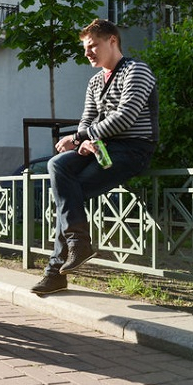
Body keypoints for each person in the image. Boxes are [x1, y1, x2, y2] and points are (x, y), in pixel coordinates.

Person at [31, 19, 159, 295]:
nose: (87, 53)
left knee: (68, 199)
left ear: (112, 40)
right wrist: (84, 139)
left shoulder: (137, 71)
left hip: (132, 149)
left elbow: (125, 117)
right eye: (85, 48)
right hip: (100, 147)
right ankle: (77, 244)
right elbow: (86, 119)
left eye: (92, 46)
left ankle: (56, 271)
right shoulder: (94, 81)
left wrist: (80, 138)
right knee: (57, 166)